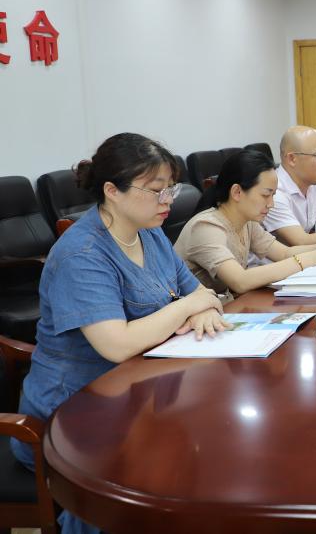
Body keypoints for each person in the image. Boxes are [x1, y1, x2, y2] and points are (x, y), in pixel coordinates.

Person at [11, 133, 226, 534]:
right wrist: (186, 308)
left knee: (206, 441)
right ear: (112, 191)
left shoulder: (150, 232)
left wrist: (199, 306)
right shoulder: (82, 254)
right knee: (144, 474)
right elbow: (116, 344)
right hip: (72, 414)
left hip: (139, 394)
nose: (168, 200)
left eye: (171, 188)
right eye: (156, 190)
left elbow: (203, 294)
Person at [174, 149, 316, 296]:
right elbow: (240, 281)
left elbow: (284, 253)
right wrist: (312, 259)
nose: (271, 204)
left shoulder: (247, 222)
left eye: (273, 195)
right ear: (237, 192)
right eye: (265, 195)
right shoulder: (206, 227)